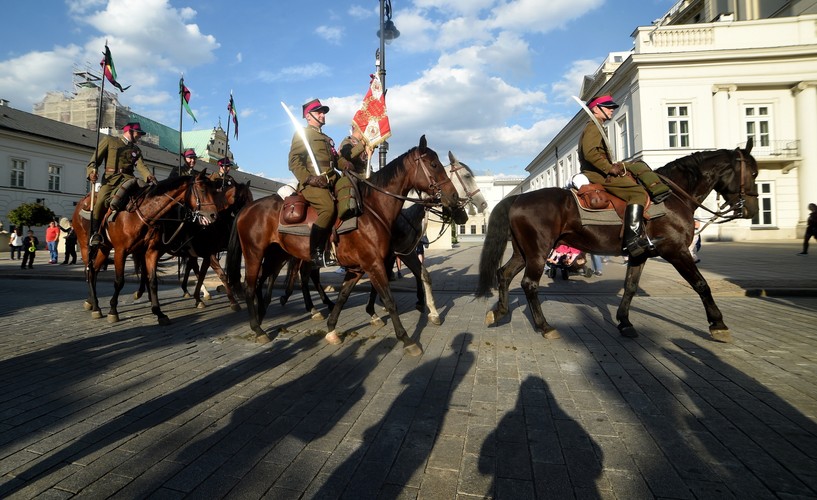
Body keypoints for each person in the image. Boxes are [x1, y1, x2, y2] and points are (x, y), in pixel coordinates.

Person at [579, 95, 672, 257]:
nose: (612, 109)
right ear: (595, 109)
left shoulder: (598, 126)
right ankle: (632, 240)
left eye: (612, 107)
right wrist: (609, 168)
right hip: (599, 175)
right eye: (607, 107)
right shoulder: (593, 127)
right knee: (637, 193)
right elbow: (590, 153)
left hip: (600, 171)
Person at [86, 122, 156, 246]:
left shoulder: (136, 149)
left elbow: (141, 166)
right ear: (129, 131)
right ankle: (96, 232)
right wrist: (92, 172)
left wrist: (149, 176)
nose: (139, 136)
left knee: (145, 198)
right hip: (111, 180)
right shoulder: (109, 141)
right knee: (101, 200)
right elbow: (94, 161)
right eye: (137, 133)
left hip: (129, 179)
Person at [288, 98, 339, 267]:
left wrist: (347, 162)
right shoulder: (303, 134)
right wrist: (310, 179)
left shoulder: (325, 138)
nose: (323, 115)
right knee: (328, 208)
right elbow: (294, 161)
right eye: (319, 112)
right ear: (309, 116)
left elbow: (336, 161)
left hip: (330, 178)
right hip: (311, 182)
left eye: (323, 112)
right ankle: (316, 251)